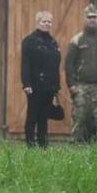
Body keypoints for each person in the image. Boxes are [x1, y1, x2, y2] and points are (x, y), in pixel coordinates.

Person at [65, 4, 97, 142]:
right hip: (81, 87)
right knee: (79, 119)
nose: (92, 20)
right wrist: (71, 84)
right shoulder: (76, 40)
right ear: (84, 19)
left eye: (94, 17)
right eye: (89, 17)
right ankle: (75, 145)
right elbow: (69, 64)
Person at [21, 11, 61, 147]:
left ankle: (43, 144)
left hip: (49, 87)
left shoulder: (53, 42)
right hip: (34, 86)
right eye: (44, 21)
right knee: (33, 115)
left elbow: (56, 66)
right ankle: (30, 144)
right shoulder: (29, 41)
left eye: (49, 21)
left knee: (44, 117)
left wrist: (56, 86)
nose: (47, 24)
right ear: (37, 22)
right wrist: (26, 83)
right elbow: (25, 64)